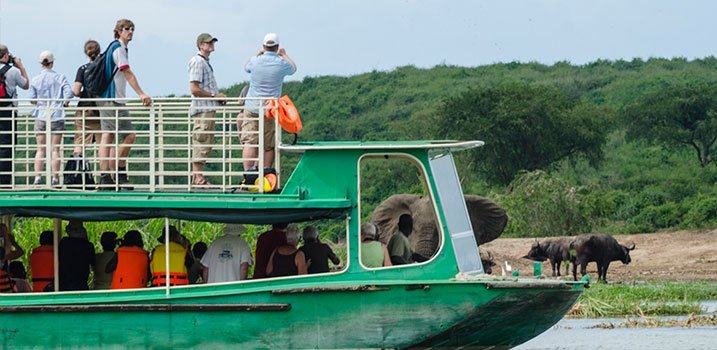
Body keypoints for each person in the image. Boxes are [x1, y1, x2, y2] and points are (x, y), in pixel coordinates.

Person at [97, 19, 152, 190]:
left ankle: (114, 173)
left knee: (121, 136)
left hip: (115, 99)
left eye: (132, 29)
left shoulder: (118, 48)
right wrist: (141, 93)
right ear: (119, 31)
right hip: (111, 99)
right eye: (127, 29)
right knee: (114, 136)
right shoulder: (118, 48)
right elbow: (127, 72)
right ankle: (110, 175)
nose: (130, 32)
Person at [241, 33, 296, 173]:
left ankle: (248, 174)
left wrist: (259, 53)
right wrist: (283, 54)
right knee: (269, 145)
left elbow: (246, 67)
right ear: (277, 47)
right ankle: (265, 172)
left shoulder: (255, 60)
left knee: (249, 142)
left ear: (264, 46)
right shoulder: (281, 63)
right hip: (270, 109)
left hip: (252, 106)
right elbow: (293, 68)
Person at [29, 50, 73, 186]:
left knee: (40, 149)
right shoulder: (60, 77)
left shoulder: (35, 79)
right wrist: (64, 102)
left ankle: (37, 178)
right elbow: (69, 93)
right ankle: (54, 178)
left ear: (41, 63)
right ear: (52, 62)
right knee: (55, 149)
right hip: (57, 115)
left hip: (41, 115)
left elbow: (32, 99)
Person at [188, 33, 226, 186]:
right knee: (202, 140)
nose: (211, 45)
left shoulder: (203, 61)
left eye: (212, 42)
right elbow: (194, 89)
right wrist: (214, 96)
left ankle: (197, 177)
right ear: (200, 45)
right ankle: (198, 178)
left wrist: (216, 98)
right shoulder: (198, 61)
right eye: (208, 42)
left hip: (206, 108)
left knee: (204, 141)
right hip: (202, 109)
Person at [0, 44, 30, 186]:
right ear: (5, 56)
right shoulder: (12, 71)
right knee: (7, 145)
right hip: (8, 111)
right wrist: (21, 66)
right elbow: (25, 85)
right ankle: (4, 181)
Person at [72, 40, 103, 157]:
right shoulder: (103, 68)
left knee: (80, 140)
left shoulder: (82, 69)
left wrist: (83, 94)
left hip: (84, 109)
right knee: (104, 142)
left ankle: (77, 171)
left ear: (86, 53)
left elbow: (76, 91)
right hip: (101, 109)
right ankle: (107, 173)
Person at [58, 220, 95, 291]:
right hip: (82, 284)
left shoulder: (64, 243)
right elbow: (93, 263)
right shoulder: (88, 245)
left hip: (64, 285)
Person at [0, 223, 24, 292]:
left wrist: (13, 242)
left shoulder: (3, 256)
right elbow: (7, 252)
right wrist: (5, 234)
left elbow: (20, 252)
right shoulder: (3, 255)